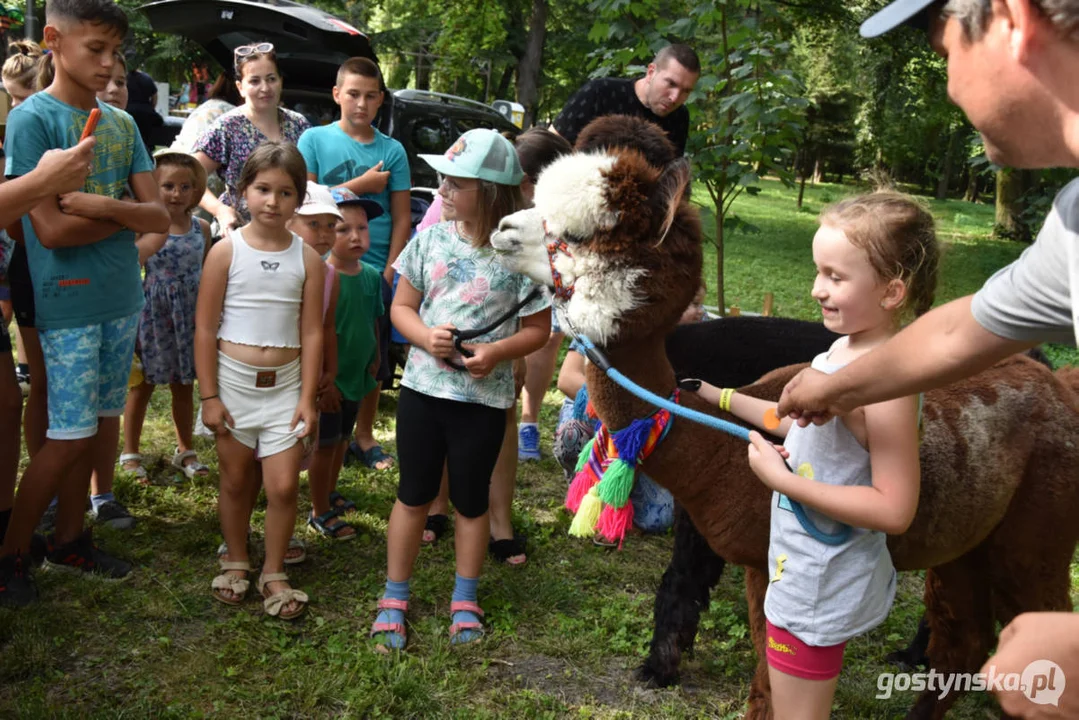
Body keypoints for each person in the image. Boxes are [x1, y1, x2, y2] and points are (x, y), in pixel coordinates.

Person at [774, 4, 1079, 715]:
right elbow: (957, 334)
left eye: (943, 51)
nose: (945, 83)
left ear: (1012, 18)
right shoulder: (1071, 222)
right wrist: (836, 388)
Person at [689, 191, 934, 718]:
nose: (816, 288)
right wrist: (719, 395)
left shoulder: (888, 384)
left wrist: (782, 482)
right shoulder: (842, 350)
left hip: (822, 584)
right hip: (800, 566)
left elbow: (894, 509)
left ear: (892, 291)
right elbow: (793, 420)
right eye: (818, 271)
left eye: (835, 276)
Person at [0, 0, 169, 607]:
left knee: (97, 425)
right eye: (94, 48)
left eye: (114, 52)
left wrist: (106, 210)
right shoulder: (33, 120)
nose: (107, 63)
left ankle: (70, 539)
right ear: (52, 40)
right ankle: (11, 552)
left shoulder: (120, 125)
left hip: (122, 296)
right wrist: (129, 221)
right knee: (66, 437)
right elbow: (48, 231)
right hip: (66, 301)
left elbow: (161, 216)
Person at [370, 129, 550, 650]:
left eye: (454, 184)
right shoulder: (429, 240)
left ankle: (465, 597)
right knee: (413, 494)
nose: (442, 191)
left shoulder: (520, 255)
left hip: (485, 401)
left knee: (472, 502)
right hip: (423, 394)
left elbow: (538, 330)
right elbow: (401, 307)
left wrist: (495, 353)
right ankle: (394, 596)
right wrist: (425, 336)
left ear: (492, 192)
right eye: (442, 181)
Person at [195, 141, 321, 620]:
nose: (273, 201)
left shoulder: (308, 259)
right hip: (232, 385)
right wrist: (209, 396)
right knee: (234, 478)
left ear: (299, 198)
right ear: (243, 190)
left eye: (286, 193)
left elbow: (311, 332)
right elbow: (205, 328)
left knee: (285, 487)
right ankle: (236, 558)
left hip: (286, 388)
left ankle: (273, 569)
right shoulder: (225, 252)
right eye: (263, 189)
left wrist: (308, 398)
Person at [298, 56, 410, 472]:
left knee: (370, 353)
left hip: (373, 267)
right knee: (328, 344)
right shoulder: (313, 139)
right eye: (353, 94)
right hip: (323, 263)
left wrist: (390, 268)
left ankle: (362, 435)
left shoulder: (391, 150)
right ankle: (322, 427)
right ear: (337, 95)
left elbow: (401, 217)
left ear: (381, 100)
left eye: (370, 96)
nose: (361, 104)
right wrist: (360, 186)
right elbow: (306, 199)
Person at [119, 151, 211, 483]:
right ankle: (130, 452)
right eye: (167, 186)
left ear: (196, 190)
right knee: (141, 385)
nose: (176, 194)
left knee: (183, 385)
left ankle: (185, 449)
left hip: (189, 317)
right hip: (151, 315)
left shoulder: (201, 228)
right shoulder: (144, 227)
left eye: (185, 187)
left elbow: (206, 273)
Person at [306, 187, 385, 540]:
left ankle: (330, 490)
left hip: (358, 375)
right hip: (329, 382)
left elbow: (372, 322)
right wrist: (326, 381)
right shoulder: (318, 276)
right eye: (343, 229)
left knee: (340, 442)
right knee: (324, 446)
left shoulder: (370, 276)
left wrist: (376, 358)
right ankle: (318, 509)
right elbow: (319, 333)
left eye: (362, 228)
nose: (355, 236)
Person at [193, 43, 310, 235]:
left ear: (281, 81)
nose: (265, 88)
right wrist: (220, 211)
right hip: (238, 234)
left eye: (271, 79)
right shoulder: (227, 126)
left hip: (289, 233)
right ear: (240, 87)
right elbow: (190, 174)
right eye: (255, 81)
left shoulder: (299, 124)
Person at [552, 44, 700, 155]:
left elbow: (671, 180)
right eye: (671, 83)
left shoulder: (679, 117)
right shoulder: (600, 93)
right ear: (651, 72)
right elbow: (548, 144)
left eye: (686, 91)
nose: (675, 98)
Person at [124, 59, 161, 152]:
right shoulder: (146, 78)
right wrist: (151, 108)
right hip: (146, 114)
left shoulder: (123, 78)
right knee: (147, 143)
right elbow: (154, 96)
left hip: (128, 112)